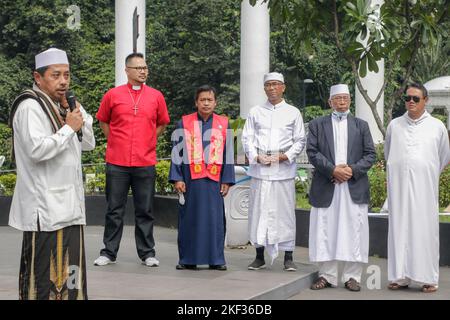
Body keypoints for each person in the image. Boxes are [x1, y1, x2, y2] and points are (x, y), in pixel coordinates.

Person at [8, 48, 95, 299]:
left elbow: (88, 142)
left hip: (70, 207)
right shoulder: (29, 107)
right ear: (38, 77)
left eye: (66, 75)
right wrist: (69, 128)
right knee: (42, 278)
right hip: (44, 209)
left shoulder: (65, 105)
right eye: (55, 75)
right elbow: (37, 150)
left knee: (73, 276)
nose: (63, 81)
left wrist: (77, 118)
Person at [94, 52, 170, 267]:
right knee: (114, 209)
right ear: (127, 70)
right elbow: (103, 121)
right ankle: (108, 252)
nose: (143, 71)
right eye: (138, 68)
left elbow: (163, 122)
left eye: (145, 67)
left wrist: (149, 139)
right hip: (117, 161)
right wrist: (115, 141)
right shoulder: (113, 95)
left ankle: (147, 253)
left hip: (145, 161)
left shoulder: (156, 96)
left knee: (145, 210)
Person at [306, 84, 376, 292]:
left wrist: (351, 171)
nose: (342, 102)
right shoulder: (317, 124)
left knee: (354, 229)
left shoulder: (361, 125)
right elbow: (312, 151)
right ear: (330, 102)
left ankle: (352, 277)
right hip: (327, 184)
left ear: (350, 101)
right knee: (325, 229)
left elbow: (370, 154)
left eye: (345, 98)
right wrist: (333, 170)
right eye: (338, 99)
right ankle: (326, 276)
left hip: (353, 185)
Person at [385, 82, 450, 293]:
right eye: (408, 98)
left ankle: (427, 278)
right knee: (398, 228)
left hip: (424, 188)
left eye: (415, 99)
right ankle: (399, 276)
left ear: (426, 101)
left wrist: (424, 172)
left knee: (425, 230)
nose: (410, 102)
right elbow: (388, 154)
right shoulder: (394, 125)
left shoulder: (437, 126)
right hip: (399, 188)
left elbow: (443, 157)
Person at [242, 72, 306, 271]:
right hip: (260, 169)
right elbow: (247, 138)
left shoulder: (293, 112)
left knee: (284, 213)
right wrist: (256, 156)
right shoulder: (255, 112)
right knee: (258, 211)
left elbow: (300, 140)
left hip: (283, 170)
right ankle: (259, 255)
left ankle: (288, 256)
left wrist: (283, 157)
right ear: (264, 88)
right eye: (268, 85)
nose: (272, 88)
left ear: (283, 87)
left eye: (275, 84)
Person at [169, 85, 235, 270]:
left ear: (215, 102)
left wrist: (227, 180)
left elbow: (228, 153)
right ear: (196, 102)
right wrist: (177, 177)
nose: (206, 103)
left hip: (214, 182)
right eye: (202, 100)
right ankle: (188, 259)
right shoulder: (184, 123)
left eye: (209, 100)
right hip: (190, 181)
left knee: (214, 220)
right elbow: (176, 152)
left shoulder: (223, 123)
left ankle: (216, 259)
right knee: (190, 219)